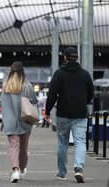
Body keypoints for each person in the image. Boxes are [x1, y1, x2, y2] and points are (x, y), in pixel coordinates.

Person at [44, 47, 94, 183]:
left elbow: (52, 94)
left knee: (62, 143)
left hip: (63, 114)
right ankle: (78, 168)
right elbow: (91, 93)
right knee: (80, 141)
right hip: (80, 114)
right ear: (76, 58)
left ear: (65, 58)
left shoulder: (59, 74)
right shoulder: (85, 74)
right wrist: (84, 101)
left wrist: (47, 111)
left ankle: (61, 173)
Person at [1, 61, 38, 183]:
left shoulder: (6, 85)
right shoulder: (28, 85)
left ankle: (15, 170)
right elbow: (34, 100)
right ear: (23, 72)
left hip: (10, 121)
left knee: (13, 147)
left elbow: (3, 104)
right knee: (23, 147)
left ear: (11, 71)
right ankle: (22, 168)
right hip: (25, 120)